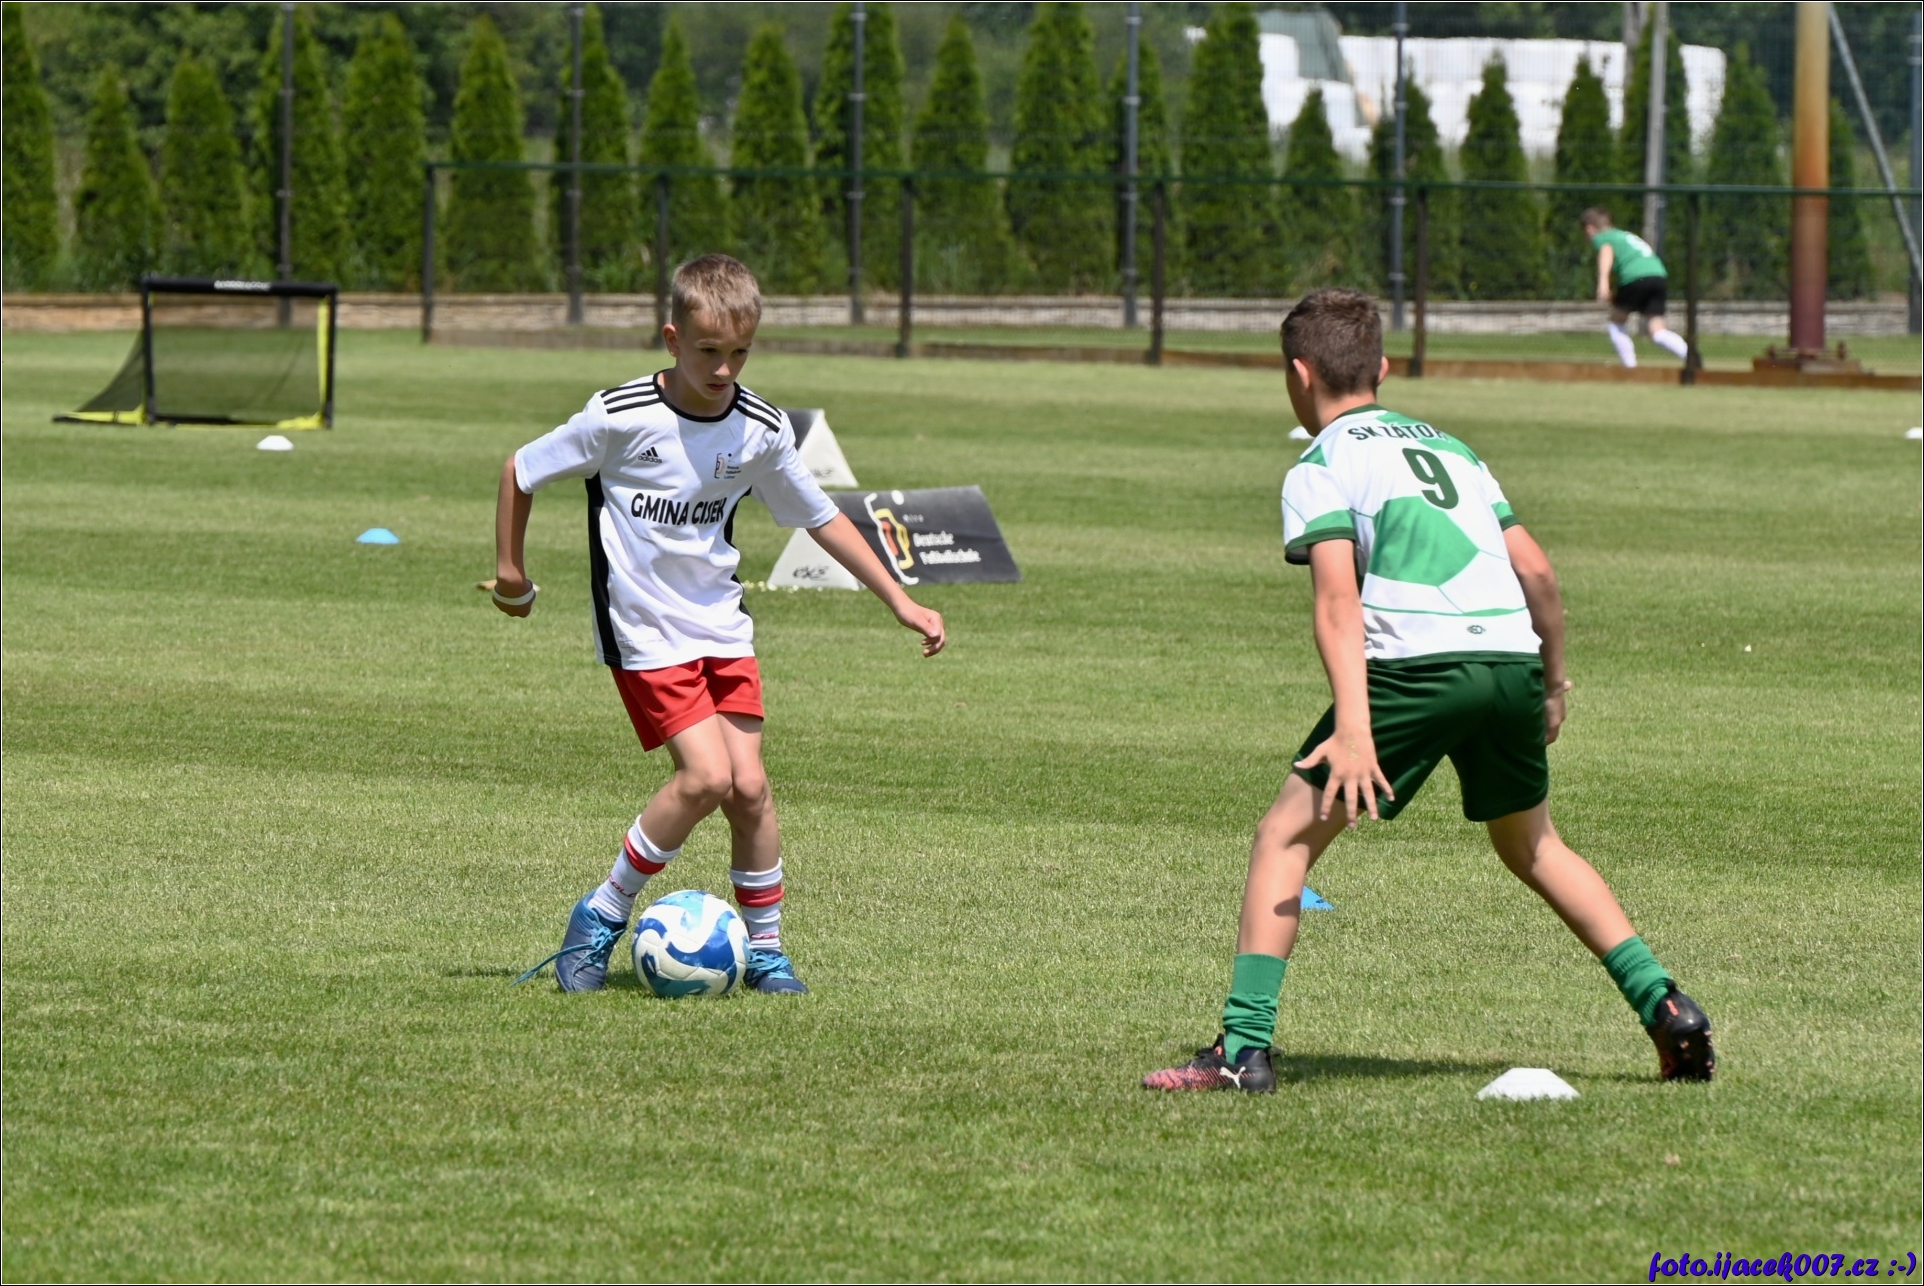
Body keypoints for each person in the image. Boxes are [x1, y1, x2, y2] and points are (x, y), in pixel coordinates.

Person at [1143, 288, 1714, 1093]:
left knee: (1284, 839)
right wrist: (1551, 684)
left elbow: (1338, 602)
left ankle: (1242, 1051)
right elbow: (1537, 571)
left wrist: (1353, 725)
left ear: (1299, 374)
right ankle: (1667, 1006)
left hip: (1413, 667)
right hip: (1510, 660)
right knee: (1535, 846)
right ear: (1381, 367)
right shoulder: (1454, 450)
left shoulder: (1321, 464)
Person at [495, 254, 946, 994]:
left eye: (740, 352)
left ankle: (765, 951)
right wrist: (512, 573)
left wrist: (898, 599)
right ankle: (600, 916)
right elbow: (521, 469)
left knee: (750, 790)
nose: (725, 369)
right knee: (705, 777)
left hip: (722, 627)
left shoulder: (759, 428)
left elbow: (821, 516)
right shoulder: (619, 416)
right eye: (709, 351)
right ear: (672, 339)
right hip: (644, 631)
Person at [1583, 207, 1691, 369]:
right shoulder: (1623, 235)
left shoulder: (1603, 237)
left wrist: (1603, 282)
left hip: (1636, 277)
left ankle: (1630, 368)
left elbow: (1606, 252)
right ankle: (1692, 357)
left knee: (1616, 322)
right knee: (1658, 332)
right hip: (1658, 276)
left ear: (1590, 228)